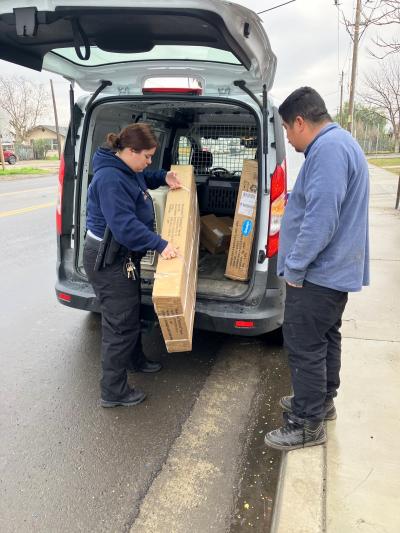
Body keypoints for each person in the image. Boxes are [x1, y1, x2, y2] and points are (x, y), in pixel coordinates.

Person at [264, 87, 370, 450]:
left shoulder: (326, 150)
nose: (288, 139)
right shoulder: (340, 144)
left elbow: (321, 220)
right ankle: (321, 403)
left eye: (287, 130)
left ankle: (306, 424)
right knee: (325, 338)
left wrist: (294, 267)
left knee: (304, 344)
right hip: (333, 272)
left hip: (318, 274)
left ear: (299, 122)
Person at [83, 123, 181, 408]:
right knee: (119, 325)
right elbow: (125, 227)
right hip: (108, 258)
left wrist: (164, 176)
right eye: (147, 156)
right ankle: (113, 392)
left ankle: (135, 359)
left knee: (130, 312)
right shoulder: (110, 180)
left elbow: (142, 180)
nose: (149, 162)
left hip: (122, 256)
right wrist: (161, 244)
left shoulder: (127, 169)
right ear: (129, 151)